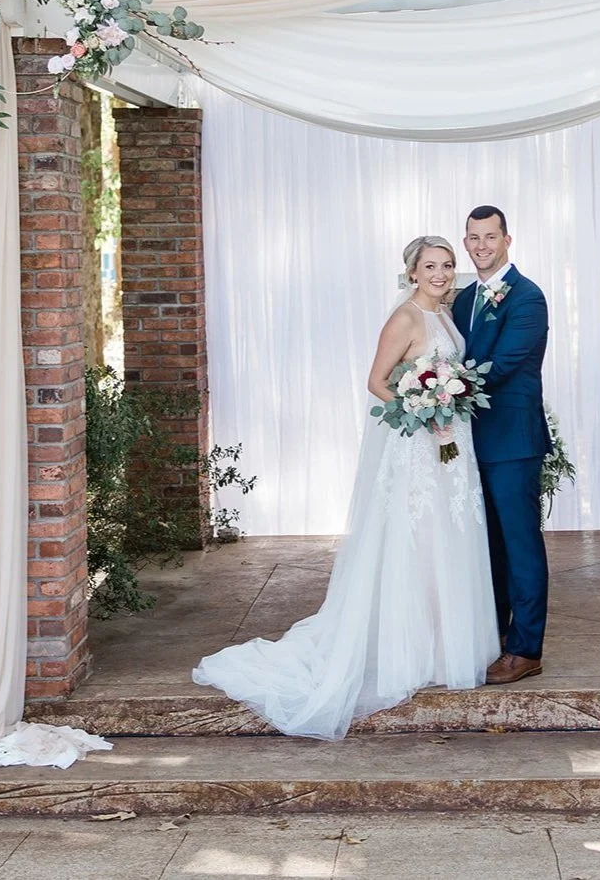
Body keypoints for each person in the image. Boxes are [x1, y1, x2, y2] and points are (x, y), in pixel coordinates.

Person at [193, 236, 499, 739]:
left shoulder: (446, 315)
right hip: (420, 448)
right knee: (419, 540)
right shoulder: (405, 318)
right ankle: (409, 648)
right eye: (430, 266)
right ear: (413, 272)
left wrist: (448, 407)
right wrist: (423, 410)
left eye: (447, 265)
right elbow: (377, 381)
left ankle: (446, 645)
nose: (441, 274)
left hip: (452, 445)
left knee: (450, 536)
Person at [452, 206, 552, 685]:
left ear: (507, 240)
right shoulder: (462, 298)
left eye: (490, 236)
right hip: (468, 440)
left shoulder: (528, 297)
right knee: (486, 546)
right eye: (474, 238)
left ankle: (526, 650)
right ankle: (493, 638)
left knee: (520, 546)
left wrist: (443, 385)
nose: (481, 246)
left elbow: (504, 363)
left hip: (512, 441)